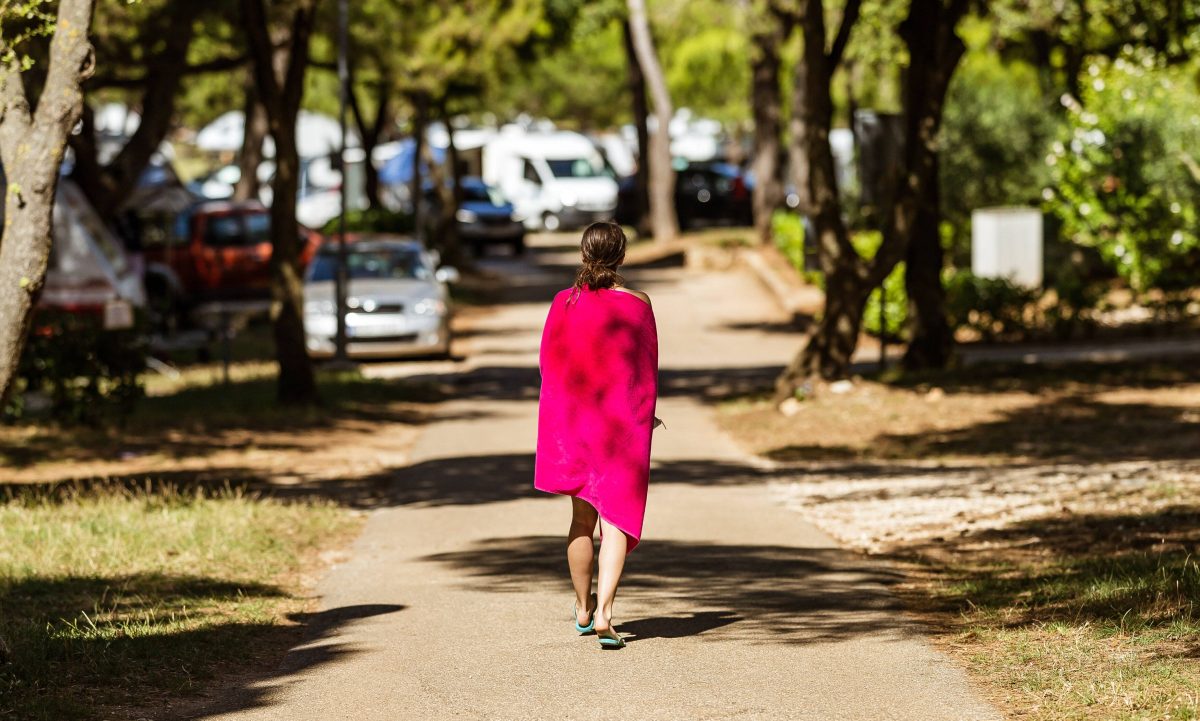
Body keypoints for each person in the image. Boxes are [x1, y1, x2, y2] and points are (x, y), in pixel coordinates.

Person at [534, 221, 660, 650]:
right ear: (622, 256)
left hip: (573, 424)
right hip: (621, 427)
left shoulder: (562, 302)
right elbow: (645, 372)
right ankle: (606, 612)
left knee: (582, 521)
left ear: (584, 254)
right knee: (617, 522)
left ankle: (583, 610)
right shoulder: (640, 304)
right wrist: (647, 417)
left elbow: (548, 364)